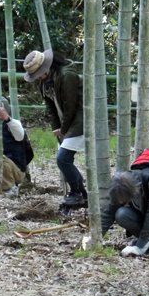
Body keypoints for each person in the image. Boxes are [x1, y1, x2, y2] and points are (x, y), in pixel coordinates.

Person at [22, 49, 86, 208]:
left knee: (62, 159)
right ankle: (82, 195)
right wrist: (56, 127)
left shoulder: (66, 75)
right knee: (65, 159)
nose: (37, 78)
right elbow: (50, 107)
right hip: (68, 122)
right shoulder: (45, 81)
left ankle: (78, 193)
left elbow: (70, 106)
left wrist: (63, 128)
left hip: (80, 120)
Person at [0, 97, 32, 195]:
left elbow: (20, 136)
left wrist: (6, 118)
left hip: (14, 170)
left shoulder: (13, 124)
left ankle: (9, 188)